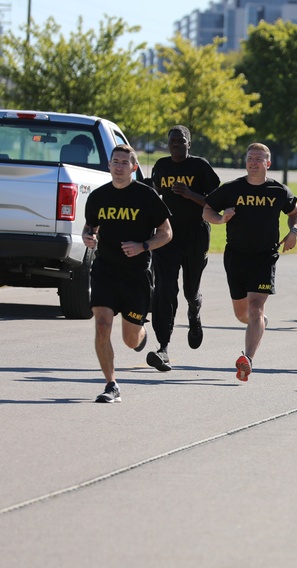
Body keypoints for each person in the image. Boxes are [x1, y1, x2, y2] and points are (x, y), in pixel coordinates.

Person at [202, 143, 297, 382]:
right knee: (242, 313)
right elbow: (207, 210)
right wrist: (220, 219)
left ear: (268, 163)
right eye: (250, 158)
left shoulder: (278, 191)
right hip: (235, 255)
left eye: (259, 159)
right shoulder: (232, 189)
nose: (253, 162)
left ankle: (248, 359)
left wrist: (294, 232)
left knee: (256, 306)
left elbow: (294, 213)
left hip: (265, 256)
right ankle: (259, 324)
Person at [84, 145, 173, 402]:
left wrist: (143, 246)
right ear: (109, 165)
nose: (119, 166)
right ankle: (111, 384)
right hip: (106, 271)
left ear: (134, 167)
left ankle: (140, 336)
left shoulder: (146, 196)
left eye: (124, 162)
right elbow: (90, 227)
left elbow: (167, 233)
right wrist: (89, 237)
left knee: (130, 339)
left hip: (136, 275)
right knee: (102, 324)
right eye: (115, 162)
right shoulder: (98, 197)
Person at [145, 125, 220, 372]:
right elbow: (154, 195)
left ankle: (194, 310)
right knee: (165, 289)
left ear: (189, 144)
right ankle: (163, 347)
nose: (176, 144)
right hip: (167, 236)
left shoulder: (200, 167)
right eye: (172, 141)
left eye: (181, 141)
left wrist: (190, 194)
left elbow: (216, 201)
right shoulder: (161, 166)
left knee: (190, 289)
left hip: (195, 234)